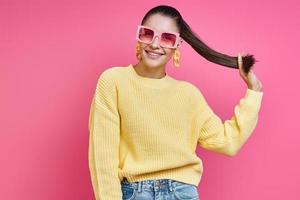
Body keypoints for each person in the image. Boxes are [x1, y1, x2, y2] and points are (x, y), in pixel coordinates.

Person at [88, 5, 263, 200]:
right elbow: (102, 158)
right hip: (135, 193)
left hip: (182, 193)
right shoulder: (113, 81)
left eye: (167, 38)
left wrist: (254, 92)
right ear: (138, 37)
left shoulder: (188, 94)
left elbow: (227, 142)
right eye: (148, 34)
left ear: (177, 45)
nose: (155, 44)